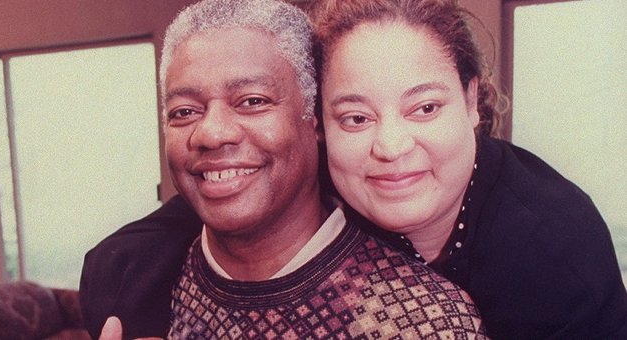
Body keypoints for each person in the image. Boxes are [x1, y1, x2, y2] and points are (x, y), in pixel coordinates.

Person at [80, 0, 487, 338]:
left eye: (252, 101)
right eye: (185, 111)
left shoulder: (425, 321)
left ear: (315, 122)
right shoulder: (135, 294)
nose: (211, 133)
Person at [309, 0, 627, 338]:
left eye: (425, 108)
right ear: (320, 127)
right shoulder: (314, 204)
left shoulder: (551, 251)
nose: (390, 146)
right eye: (356, 119)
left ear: (471, 101)